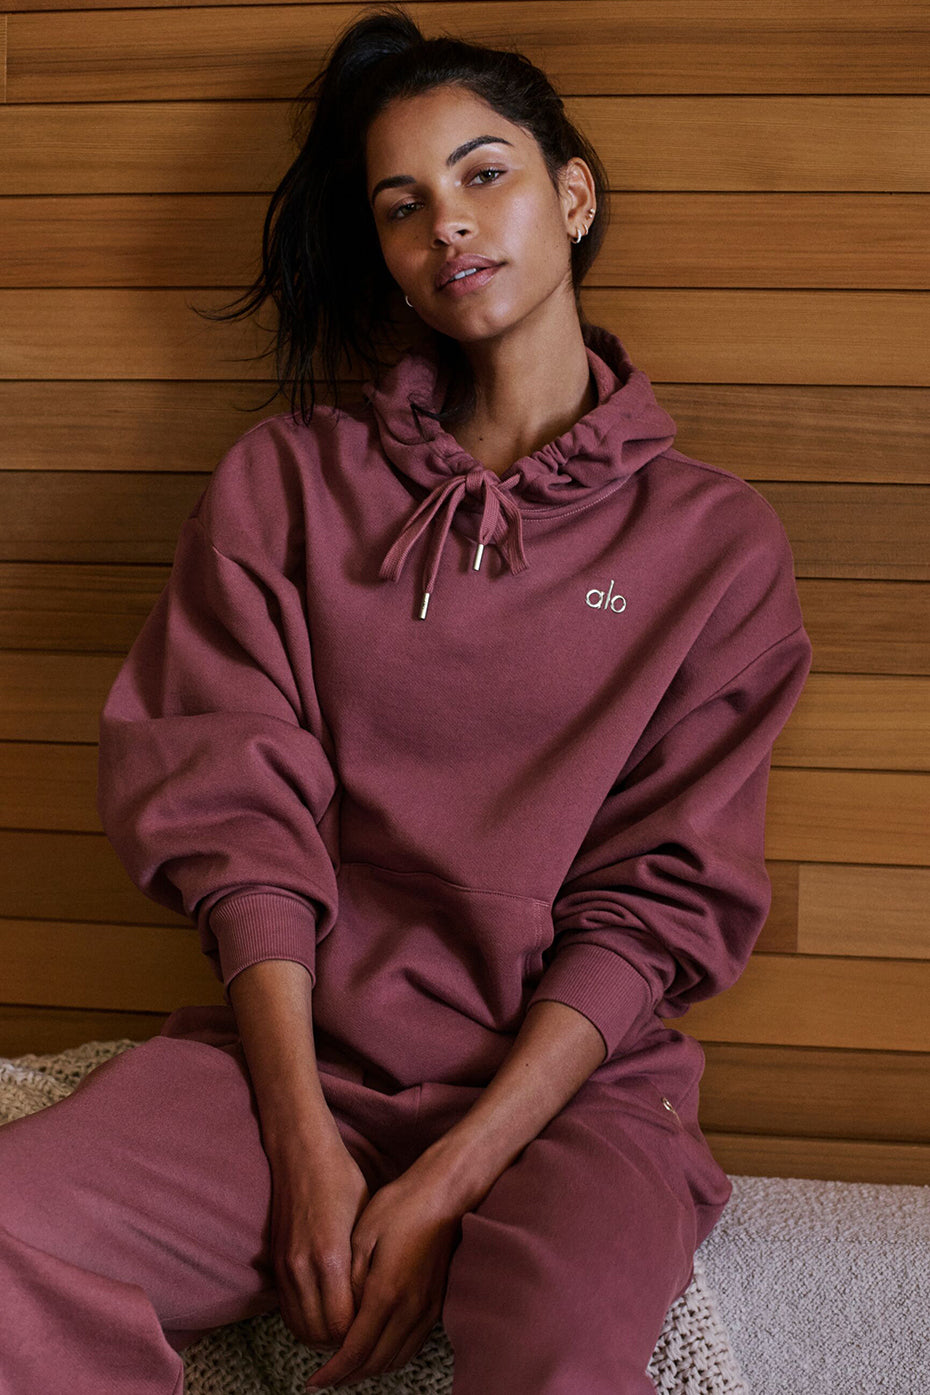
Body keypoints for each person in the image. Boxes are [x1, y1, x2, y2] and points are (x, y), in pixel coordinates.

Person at [0, 7, 812, 1393]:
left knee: (558, 1351)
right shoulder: (286, 484)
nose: (448, 222)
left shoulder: (715, 546)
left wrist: (454, 1175)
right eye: (401, 204)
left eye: (484, 173)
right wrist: (304, 1138)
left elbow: (657, 902)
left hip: (573, 1100)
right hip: (289, 1067)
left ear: (572, 195)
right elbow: (235, 826)